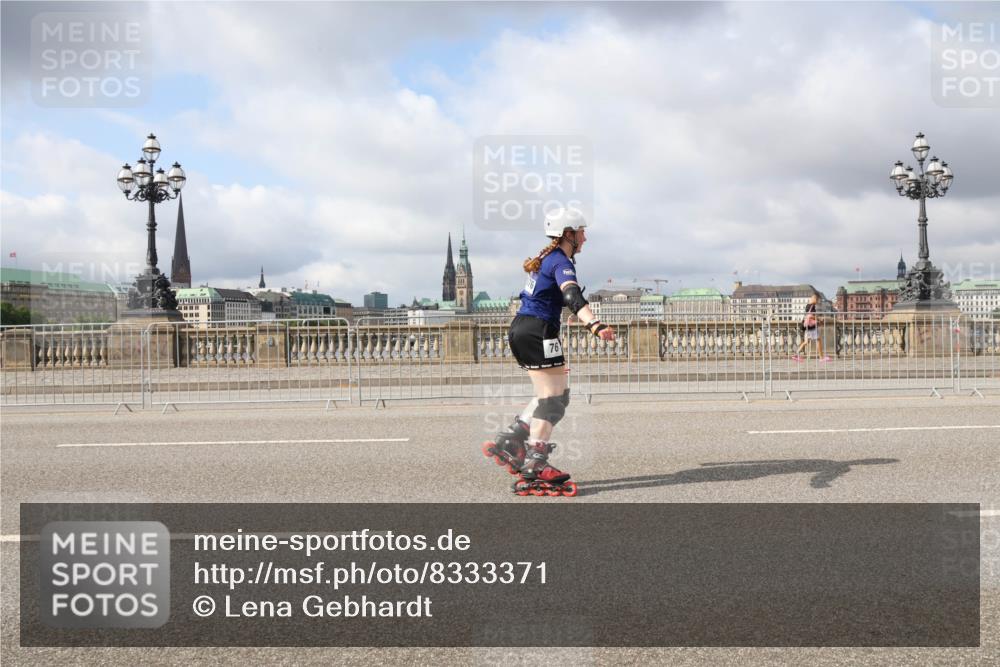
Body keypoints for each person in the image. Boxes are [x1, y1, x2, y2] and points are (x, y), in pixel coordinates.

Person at [483, 207, 615, 496]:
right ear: (568, 234)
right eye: (581, 232)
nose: (585, 238)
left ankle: (514, 438)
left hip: (523, 328)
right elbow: (571, 294)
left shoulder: (547, 258)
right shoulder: (560, 261)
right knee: (553, 402)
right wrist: (595, 324)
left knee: (553, 395)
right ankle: (536, 462)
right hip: (538, 330)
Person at [793, 292, 831, 362]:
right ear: (813, 298)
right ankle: (821, 357)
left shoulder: (808, 305)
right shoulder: (812, 306)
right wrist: (819, 319)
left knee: (806, 341)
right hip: (812, 327)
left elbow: (809, 316)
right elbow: (811, 316)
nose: (817, 302)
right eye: (817, 300)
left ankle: (796, 354)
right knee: (818, 340)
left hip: (808, 327)